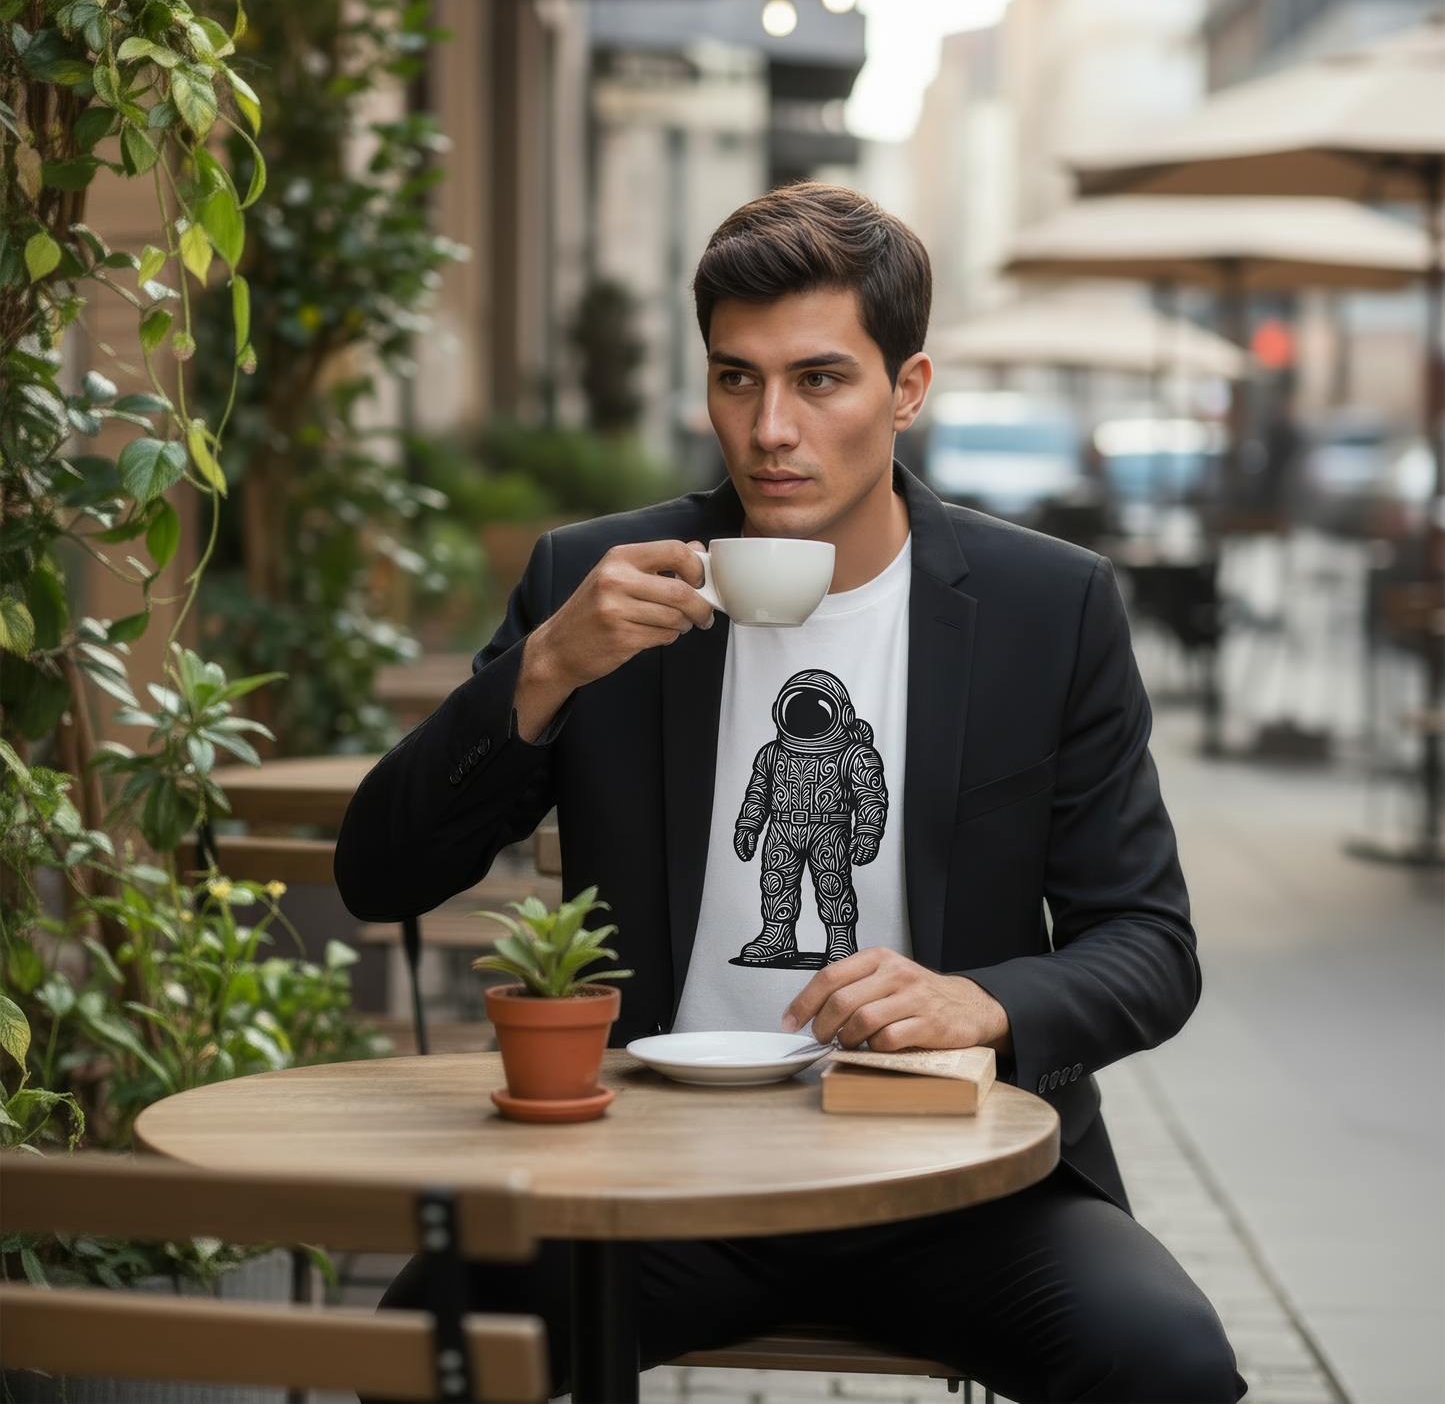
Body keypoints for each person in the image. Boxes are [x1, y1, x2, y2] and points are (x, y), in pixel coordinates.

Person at [336, 183, 1245, 1403]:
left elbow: (1147, 944)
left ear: (905, 389)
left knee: (1170, 1362)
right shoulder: (597, 582)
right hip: (646, 1176)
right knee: (417, 1352)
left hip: (952, 1174)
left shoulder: (1048, 605)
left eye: (818, 379)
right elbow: (378, 873)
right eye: (736, 379)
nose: (770, 428)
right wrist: (542, 668)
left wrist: (977, 998)